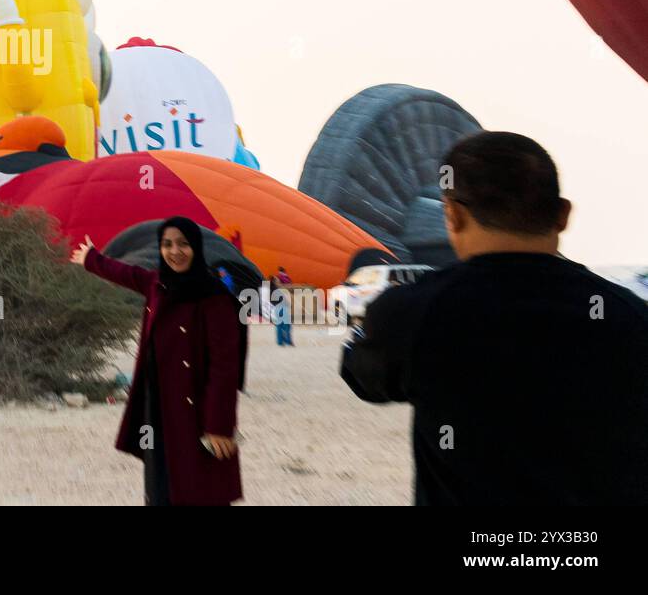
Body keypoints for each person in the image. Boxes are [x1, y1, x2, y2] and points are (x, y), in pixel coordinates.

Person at [341, 131, 648, 505]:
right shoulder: (628, 315)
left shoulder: (412, 311)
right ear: (563, 214)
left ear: (452, 215)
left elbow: (363, 378)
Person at [71, 216, 245, 506]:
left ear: (196, 247)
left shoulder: (215, 298)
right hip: (158, 406)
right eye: (167, 245)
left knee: (199, 486)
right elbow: (126, 273)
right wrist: (91, 258)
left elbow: (224, 367)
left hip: (196, 411)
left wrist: (219, 425)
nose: (174, 251)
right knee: (161, 484)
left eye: (183, 244)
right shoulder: (157, 284)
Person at [270, 275, 293, 347]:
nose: (279, 281)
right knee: (286, 325)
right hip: (282, 308)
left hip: (277, 308)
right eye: (277, 280)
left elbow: (273, 301)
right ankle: (287, 341)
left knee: (280, 326)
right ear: (274, 282)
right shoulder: (276, 290)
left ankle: (281, 341)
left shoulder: (273, 290)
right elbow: (281, 300)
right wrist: (287, 304)